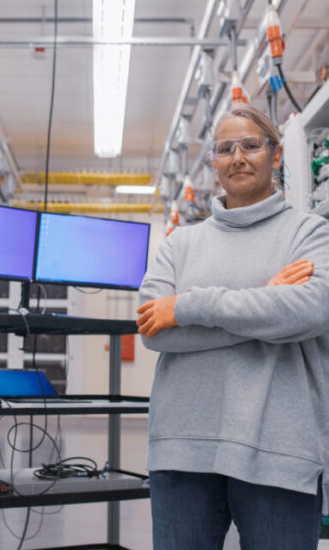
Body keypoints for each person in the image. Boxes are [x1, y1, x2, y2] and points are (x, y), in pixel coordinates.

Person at [137, 103, 329, 550]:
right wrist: (268, 302)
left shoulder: (310, 233)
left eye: (250, 145)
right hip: (181, 449)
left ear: (275, 155)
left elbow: (311, 310)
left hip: (279, 453)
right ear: (214, 163)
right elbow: (153, 327)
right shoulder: (180, 244)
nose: (237, 157)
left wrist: (188, 306)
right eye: (225, 148)